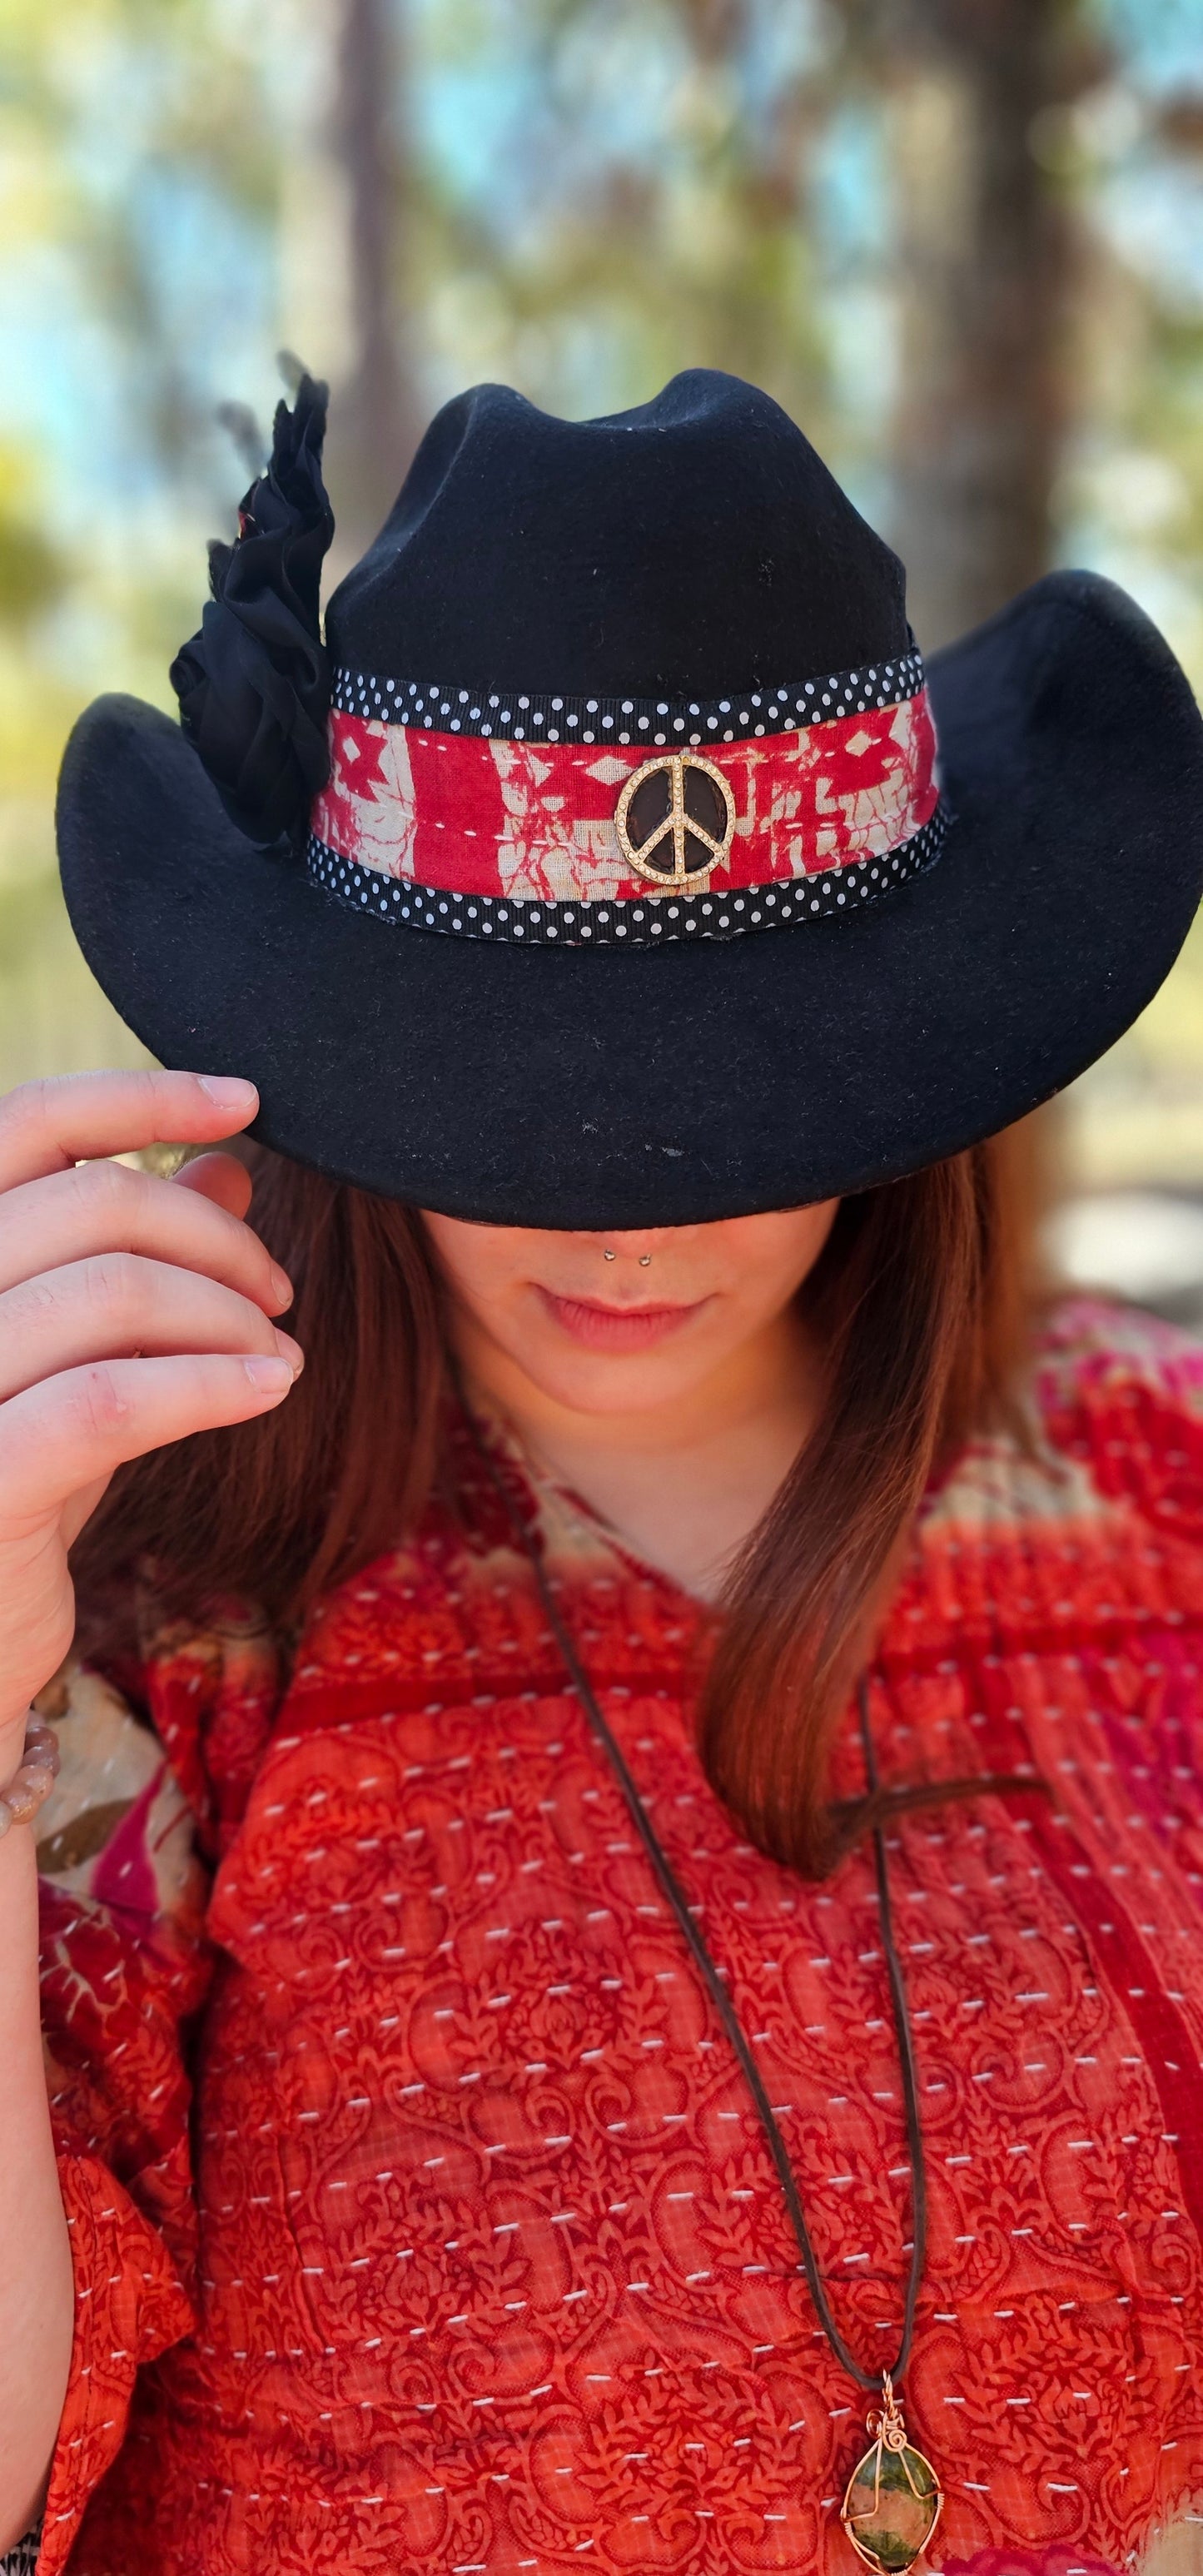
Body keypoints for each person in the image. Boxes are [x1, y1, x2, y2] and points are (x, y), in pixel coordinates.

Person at [0, 368, 1201, 2576]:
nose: (628, 1216)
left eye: (739, 1095)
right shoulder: (140, 1626)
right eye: (516, 1107)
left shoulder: (1174, 1489)